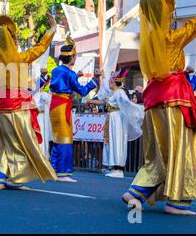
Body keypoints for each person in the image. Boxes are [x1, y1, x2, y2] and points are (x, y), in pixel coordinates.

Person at [122, 0, 196, 215]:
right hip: (174, 100)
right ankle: (176, 201)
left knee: (158, 152)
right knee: (182, 148)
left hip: (153, 101)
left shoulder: (148, 41)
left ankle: (136, 190)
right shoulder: (170, 38)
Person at [0, 14, 58, 190]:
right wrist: (51, 30)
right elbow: (39, 49)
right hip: (16, 107)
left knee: (6, 142)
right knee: (21, 142)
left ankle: (1, 177)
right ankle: (15, 179)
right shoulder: (17, 59)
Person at [49, 35, 101, 182]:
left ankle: (54, 168)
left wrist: (75, 78)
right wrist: (94, 80)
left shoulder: (55, 70)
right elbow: (83, 91)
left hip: (54, 106)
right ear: (71, 58)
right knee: (65, 138)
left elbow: (63, 83)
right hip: (63, 106)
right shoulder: (70, 74)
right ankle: (63, 173)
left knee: (57, 138)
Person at [87, 69, 144, 178]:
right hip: (113, 119)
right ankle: (114, 168)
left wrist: (139, 109)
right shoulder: (115, 93)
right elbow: (104, 97)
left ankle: (118, 169)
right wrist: (103, 77)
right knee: (113, 142)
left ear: (114, 83)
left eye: (110, 82)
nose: (109, 84)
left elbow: (127, 104)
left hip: (118, 120)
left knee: (117, 142)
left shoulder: (120, 92)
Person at [34, 81, 52, 158]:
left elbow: (48, 102)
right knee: (39, 136)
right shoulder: (35, 95)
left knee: (44, 136)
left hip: (43, 118)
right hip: (37, 118)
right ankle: (39, 154)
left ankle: (44, 154)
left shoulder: (44, 94)